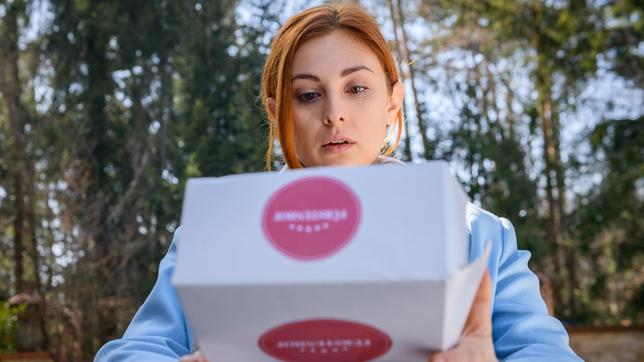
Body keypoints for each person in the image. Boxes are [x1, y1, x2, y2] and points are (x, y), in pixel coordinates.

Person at [95, 3, 582, 361]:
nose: (335, 114)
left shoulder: (478, 236)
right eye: (308, 95)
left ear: (393, 102)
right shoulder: (211, 239)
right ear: (277, 111)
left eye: (356, 88)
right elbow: (136, 351)